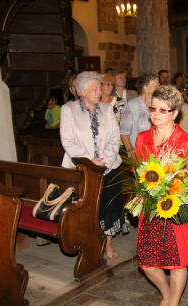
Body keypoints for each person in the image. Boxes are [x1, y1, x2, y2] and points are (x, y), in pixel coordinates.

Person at [134, 85, 188, 306]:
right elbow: (138, 172)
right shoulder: (142, 138)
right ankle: (165, 294)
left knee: (177, 263)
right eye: (153, 108)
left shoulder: (186, 141)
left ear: (174, 113)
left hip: (176, 210)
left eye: (163, 110)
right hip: (150, 210)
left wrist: (174, 189)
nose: (156, 114)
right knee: (147, 263)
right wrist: (144, 191)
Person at [60, 71, 126, 260]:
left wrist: (104, 159)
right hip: (81, 167)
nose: (99, 91)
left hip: (109, 165)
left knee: (109, 205)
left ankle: (108, 243)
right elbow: (68, 141)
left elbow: (115, 137)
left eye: (99, 87)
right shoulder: (68, 110)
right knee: (87, 207)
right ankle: (87, 242)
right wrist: (90, 159)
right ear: (82, 91)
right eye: (95, 88)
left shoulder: (106, 109)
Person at [120, 73, 159, 158]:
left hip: (156, 154)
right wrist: (130, 151)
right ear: (146, 87)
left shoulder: (158, 105)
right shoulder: (132, 106)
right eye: (156, 86)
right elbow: (124, 132)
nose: (158, 89)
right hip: (139, 155)